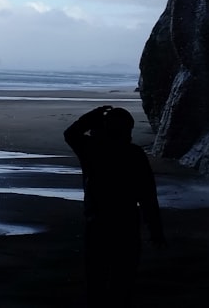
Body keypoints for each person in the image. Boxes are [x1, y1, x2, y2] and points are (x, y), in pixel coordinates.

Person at [64, 105, 165, 307]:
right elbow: (147, 196)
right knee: (123, 278)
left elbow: (71, 133)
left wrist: (94, 115)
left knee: (97, 278)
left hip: (97, 221)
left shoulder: (93, 149)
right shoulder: (134, 154)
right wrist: (155, 230)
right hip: (126, 221)